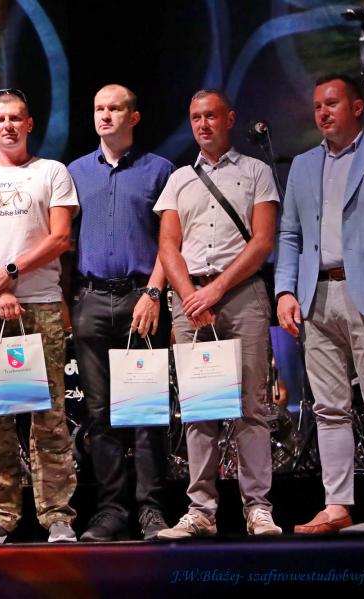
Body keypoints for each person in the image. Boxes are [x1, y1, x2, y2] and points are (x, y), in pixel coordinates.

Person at [0, 88, 79, 544]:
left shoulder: (52, 172)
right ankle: (1, 514)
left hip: (39, 304)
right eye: (0, 119)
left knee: (49, 417)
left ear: (29, 124)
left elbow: (60, 238)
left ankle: (57, 515)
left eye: (15, 118)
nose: (8, 125)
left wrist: (8, 274)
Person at [275, 74, 364, 532]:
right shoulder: (304, 164)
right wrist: (285, 290)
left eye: (331, 103)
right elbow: (289, 234)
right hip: (317, 295)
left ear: (356, 107)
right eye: (317, 106)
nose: (323, 113)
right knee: (328, 408)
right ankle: (337, 506)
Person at [154, 90, 282, 538]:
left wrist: (215, 290)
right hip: (191, 300)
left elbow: (263, 241)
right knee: (200, 408)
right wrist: (191, 295)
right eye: (195, 117)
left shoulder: (256, 171)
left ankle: (258, 508)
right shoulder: (178, 180)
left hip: (242, 295)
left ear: (229, 118)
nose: (203, 124)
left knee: (252, 407)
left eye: (210, 116)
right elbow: (168, 245)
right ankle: (201, 511)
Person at [67, 84, 175, 541]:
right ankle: (111, 511)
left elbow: (171, 242)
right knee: (98, 413)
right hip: (91, 299)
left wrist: (154, 292)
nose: (105, 115)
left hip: (140, 299)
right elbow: (63, 240)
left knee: (146, 409)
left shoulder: (160, 170)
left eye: (114, 108)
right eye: (99, 108)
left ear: (134, 117)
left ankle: (151, 509)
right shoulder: (74, 172)